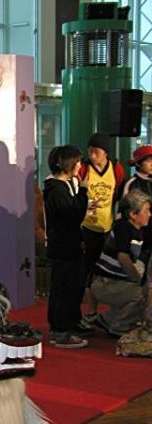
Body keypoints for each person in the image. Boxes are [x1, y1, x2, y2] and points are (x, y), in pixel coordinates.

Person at [43, 145, 89, 348]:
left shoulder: (61, 187)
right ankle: (60, 331)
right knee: (64, 288)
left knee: (72, 286)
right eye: (77, 161)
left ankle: (68, 325)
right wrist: (84, 192)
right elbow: (72, 215)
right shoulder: (57, 189)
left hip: (68, 245)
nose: (80, 165)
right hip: (64, 247)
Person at [90, 189, 151, 337]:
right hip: (105, 283)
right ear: (133, 214)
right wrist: (139, 281)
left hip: (115, 282)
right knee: (142, 293)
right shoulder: (123, 227)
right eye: (147, 210)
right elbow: (123, 257)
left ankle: (107, 319)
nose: (149, 214)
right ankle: (119, 327)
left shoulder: (138, 229)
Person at [79, 132, 125, 325]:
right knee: (90, 270)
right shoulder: (84, 169)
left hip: (107, 226)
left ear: (105, 152)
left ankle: (110, 312)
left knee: (105, 270)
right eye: (89, 151)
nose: (92, 155)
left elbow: (119, 194)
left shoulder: (116, 169)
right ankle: (90, 311)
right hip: (87, 227)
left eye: (96, 151)